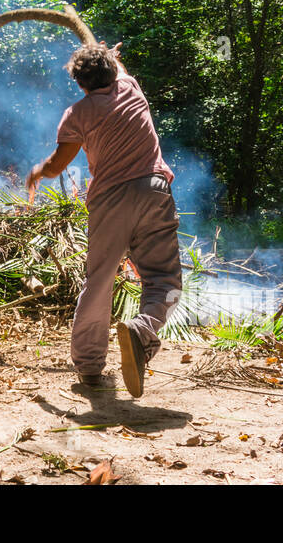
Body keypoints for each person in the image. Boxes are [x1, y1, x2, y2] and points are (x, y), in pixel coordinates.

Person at [25, 41, 181, 397]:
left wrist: (37, 172)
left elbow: (57, 165)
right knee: (164, 281)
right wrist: (112, 58)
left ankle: (91, 368)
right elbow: (120, 71)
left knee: (99, 281)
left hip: (110, 200)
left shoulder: (77, 113)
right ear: (114, 70)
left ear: (81, 84)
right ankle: (143, 328)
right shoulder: (130, 87)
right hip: (154, 191)